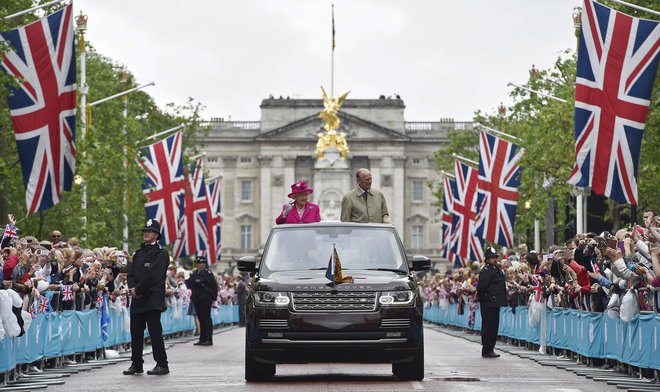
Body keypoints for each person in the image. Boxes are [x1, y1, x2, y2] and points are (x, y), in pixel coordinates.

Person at [123, 219, 170, 376]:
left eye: (149, 231)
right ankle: (136, 364)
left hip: (152, 297)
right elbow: (130, 272)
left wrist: (139, 289)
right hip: (138, 298)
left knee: (154, 331)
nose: (146, 233)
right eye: (144, 231)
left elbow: (154, 275)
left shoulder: (161, 253)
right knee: (136, 332)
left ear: (156, 235)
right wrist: (132, 288)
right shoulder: (139, 253)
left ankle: (162, 364)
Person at [476, 247, 506, 358]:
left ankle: (490, 348)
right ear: (487, 259)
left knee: (494, 327)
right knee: (488, 327)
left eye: (495, 257)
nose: (494, 259)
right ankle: (487, 349)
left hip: (495, 303)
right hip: (488, 303)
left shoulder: (496, 269)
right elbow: (481, 287)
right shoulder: (486, 271)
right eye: (492, 257)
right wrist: (487, 298)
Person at [186, 255, 218, 346]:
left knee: (206, 319)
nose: (200, 265)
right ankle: (202, 338)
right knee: (201, 319)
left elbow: (213, 285)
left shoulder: (207, 273)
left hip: (205, 298)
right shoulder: (195, 273)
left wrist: (213, 298)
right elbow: (190, 283)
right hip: (197, 299)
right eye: (199, 263)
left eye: (202, 263)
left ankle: (208, 339)